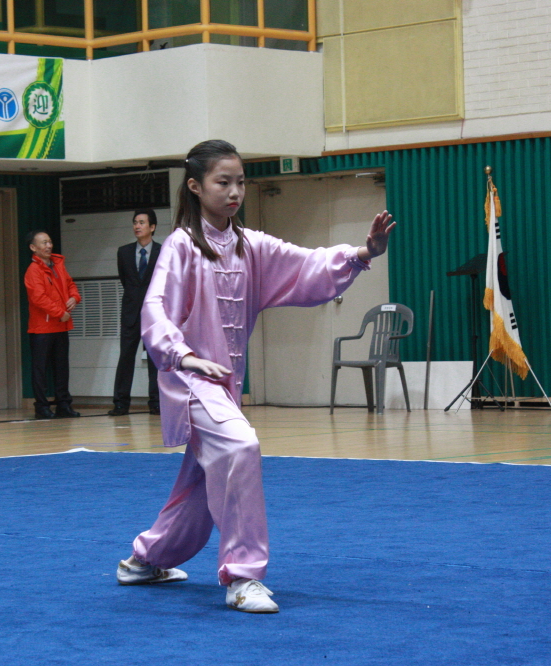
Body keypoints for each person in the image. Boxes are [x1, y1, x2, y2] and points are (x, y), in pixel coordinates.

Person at [115, 140, 396, 613]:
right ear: (195, 187)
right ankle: (243, 577)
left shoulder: (251, 247)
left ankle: (144, 560)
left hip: (223, 386)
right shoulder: (182, 245)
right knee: (240, 446)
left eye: (240, 182)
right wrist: (183, 357)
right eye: (223, 182)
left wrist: (362, 253)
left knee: (201, 484)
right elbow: (155, 308)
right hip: (190, 381)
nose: (234, 192)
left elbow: (306, 263)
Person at [108, 209, 161, 416]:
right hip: (130, 313)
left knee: (155, 360)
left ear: (152, 227)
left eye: (141, 222)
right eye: (134, 223)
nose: (137, 226)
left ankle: (156, 402)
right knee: (126, 358)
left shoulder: (163, 251)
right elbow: (126, 281)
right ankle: (121, 403)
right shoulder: (124, 252)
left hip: (154, 314)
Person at [24, 230, 82, 420]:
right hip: (42, 327)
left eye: (49, 241)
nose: (48, 245)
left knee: (61, 367)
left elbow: (70, 283)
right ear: (33, 248)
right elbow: (38, 298)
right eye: (43, 243)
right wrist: (60, 313)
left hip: (61, 325)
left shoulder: (58, 264)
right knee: (40, 369)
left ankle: (63, 404)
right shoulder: (33, 270)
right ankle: (41, 406)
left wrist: (75, 297)